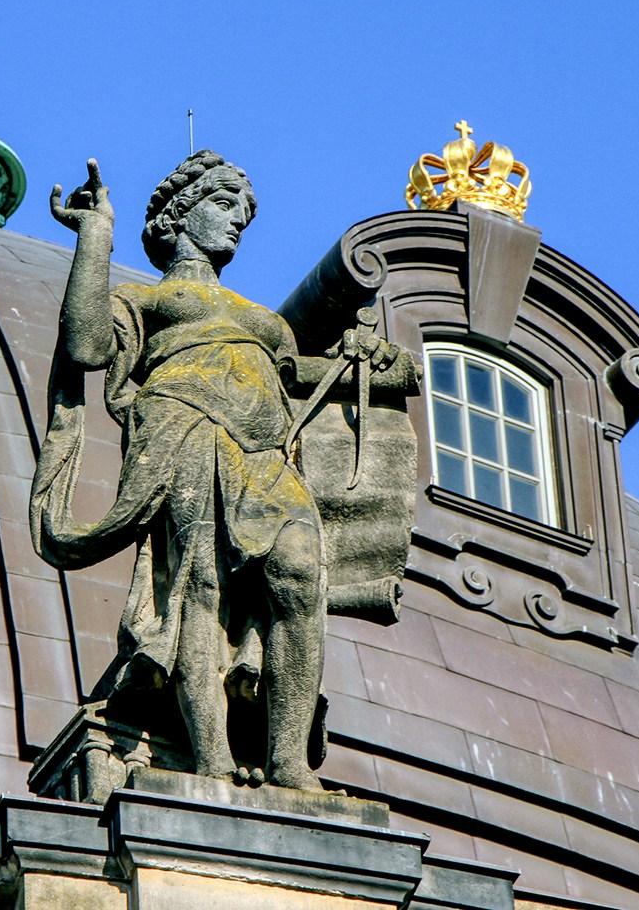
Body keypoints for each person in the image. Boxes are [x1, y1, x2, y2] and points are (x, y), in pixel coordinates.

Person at [30, 151, 403, 791]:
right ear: (180, 214)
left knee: (299, 571)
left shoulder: (264, 321)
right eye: (225, 205)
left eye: (246, 213)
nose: (239, 223)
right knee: (200, 590)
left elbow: (321, 377)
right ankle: (212, 755)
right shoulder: (148, 301)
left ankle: (288, 758)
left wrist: (375, 359)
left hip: (265, 455)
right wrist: (95, 236)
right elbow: (86, 346)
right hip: (189, 436)